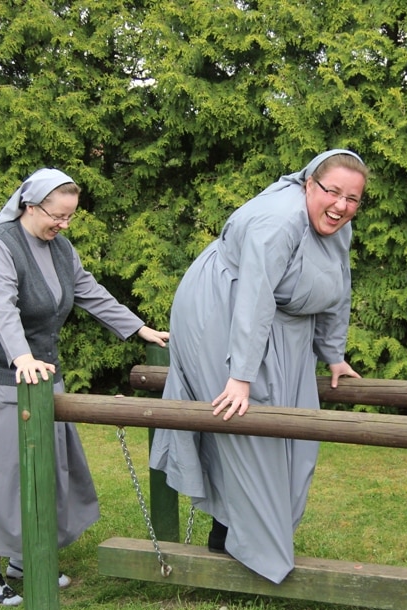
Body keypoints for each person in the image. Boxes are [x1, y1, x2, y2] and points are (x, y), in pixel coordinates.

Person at [0, 168, 169, 606]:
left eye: (70, 217)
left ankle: (26, 556)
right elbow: (0, 305)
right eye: (57, 216)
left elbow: (89, 291)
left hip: (39, 376)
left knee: (45, 466)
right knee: (0, 474)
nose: (64, 225)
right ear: (31, 207)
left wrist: (138, 328)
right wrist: (21, 356)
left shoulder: (61, 248)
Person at [148, 149, 367, 583]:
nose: (341, 206)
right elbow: (255, 297)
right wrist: (241, 376)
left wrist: (334, 355)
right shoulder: (279, 222)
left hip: (284, 326)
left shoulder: (338, 226)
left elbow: (337, 288)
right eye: (332, 192)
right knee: (244, 426)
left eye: (353, 199)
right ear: (309, 184)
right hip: (222, 310)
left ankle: (249, 535)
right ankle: (236, 539)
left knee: (294, 430)